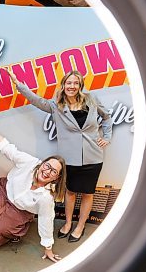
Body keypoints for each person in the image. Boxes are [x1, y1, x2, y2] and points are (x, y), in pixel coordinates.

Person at [8, 69, 113, 243]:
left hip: (93, 157)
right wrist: (18, 84)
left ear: (80, 86)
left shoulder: (92, 100)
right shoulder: (56, 105)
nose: (72, 86)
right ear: (63, 85)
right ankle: (68, 223)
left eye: (76, 83)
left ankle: (80, 226)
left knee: (88, 193)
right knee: (70, 192)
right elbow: (36, 101)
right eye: (69, 83)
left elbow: (107, 118)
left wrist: (107, 137)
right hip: (69, 159)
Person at [0, 110, 67, 263]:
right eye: (47, 166)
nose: (47, 172)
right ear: (41, 164)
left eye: (53, 171)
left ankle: (21, 227)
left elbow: (46, 220)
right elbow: (6, 147)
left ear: (57, 178)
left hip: (21, 209)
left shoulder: (46, 197)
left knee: (3, 231)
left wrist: (48, 248)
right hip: (5, 192)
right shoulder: (29, 162)